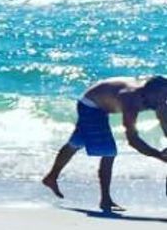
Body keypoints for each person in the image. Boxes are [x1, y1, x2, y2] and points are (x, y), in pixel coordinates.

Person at [42, 76, 167, 213]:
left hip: (100, 102)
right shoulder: (130, 100)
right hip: (91, 105)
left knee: (77, 142)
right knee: (109, 152)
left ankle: (51, 177)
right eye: (162, 95)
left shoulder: (158, 100)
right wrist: (159, 156)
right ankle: (105, 199)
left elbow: (164, 121)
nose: (164, 99)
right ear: (149, 93)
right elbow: (132, 140)